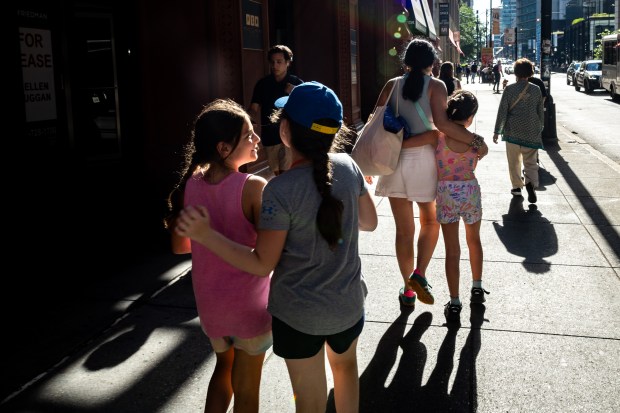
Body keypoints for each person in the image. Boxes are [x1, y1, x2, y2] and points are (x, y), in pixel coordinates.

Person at [175, 81, 378, 413]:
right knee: (345, 372)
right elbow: (369, 223)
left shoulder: (279, 190)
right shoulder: (348, 167)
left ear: (285, 130)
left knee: (309, 399)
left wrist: (206, 235)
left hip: (297, 316)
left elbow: (261, 263)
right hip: (347, 305)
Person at [163, 99, 272, 412]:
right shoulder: (253, 187)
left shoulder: (191, 185)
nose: (257, 139)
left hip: (212, 304)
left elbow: (180, 247)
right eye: (249, 135)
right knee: (248, 389)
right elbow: (268, 253)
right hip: (249, 305)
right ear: (224, 148)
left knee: (223, 368)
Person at [371, 38, 488, 309]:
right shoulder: (436, 86)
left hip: (393, 162)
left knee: (403, 230)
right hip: (423, 161)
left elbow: (375, 121)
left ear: (406, 62)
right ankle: (419, 274)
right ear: (432, 62)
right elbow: (444, 125)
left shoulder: (391, 85)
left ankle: (407, 290)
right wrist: (474, 141)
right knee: (430, 222)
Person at [417, 90, 490, 323]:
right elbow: (481, 154)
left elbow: (406, 143)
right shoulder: (477, 142)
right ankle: (477, 287)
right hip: (470, 192)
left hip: (446, 194)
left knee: (452, 250)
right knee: (474, 241)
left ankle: (455, 301)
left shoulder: (436, 137)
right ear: (470, 117)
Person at [493, 58, 544, 204]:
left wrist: (497, 131)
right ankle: (531, 184)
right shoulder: (536, 89)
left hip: (512, 131)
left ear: (516, 72)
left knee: (514, 161)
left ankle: (516, 187)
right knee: (531, 162)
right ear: (530, 72)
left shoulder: (509, 89)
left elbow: (502, 111)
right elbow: (540, 111)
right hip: (531, 130)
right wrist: (540, 127)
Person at [249, 45, 303, 176]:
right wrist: (249, 120)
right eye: (272, 62)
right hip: (269, 134)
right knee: (277, 173)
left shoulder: (296, 83)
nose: (275, 65)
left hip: (289, 133)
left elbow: (308, 105)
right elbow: (253, 108)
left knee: (287, 172)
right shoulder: (263, 84)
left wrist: (295, 92)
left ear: (287, 63)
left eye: (279, 62)